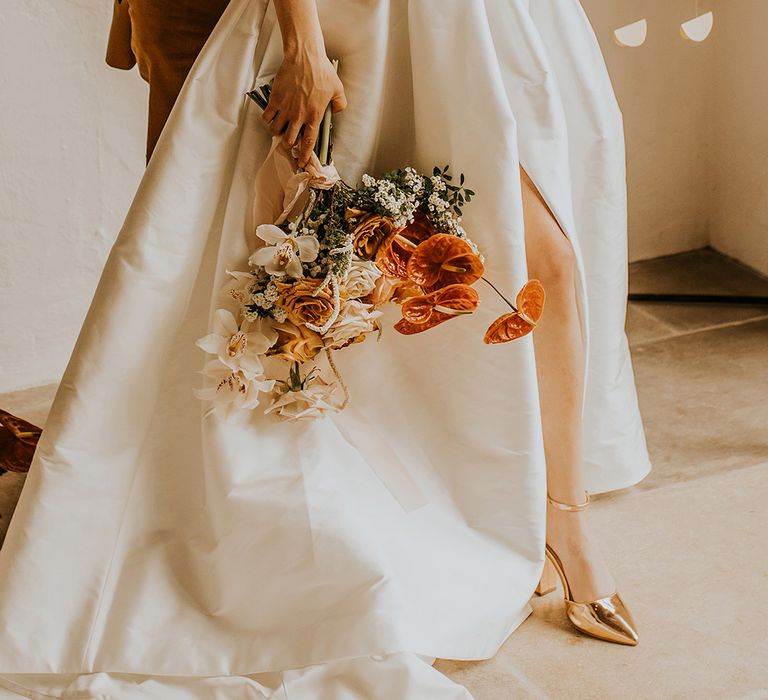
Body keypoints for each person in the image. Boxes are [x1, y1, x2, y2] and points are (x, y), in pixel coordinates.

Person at [0, 0, 651, 697]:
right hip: (346, 19)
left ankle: (568, 527)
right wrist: (302, 44)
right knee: (289, 251)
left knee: (546, 263)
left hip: (468, 21)